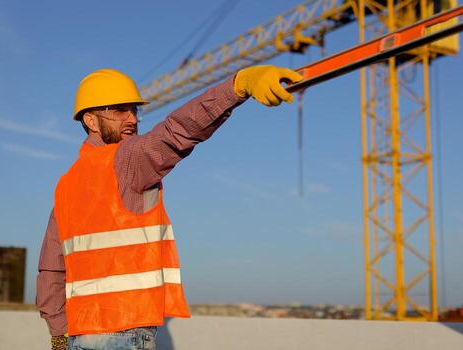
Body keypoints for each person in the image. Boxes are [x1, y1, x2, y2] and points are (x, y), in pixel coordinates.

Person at [36, 65, 302, 350]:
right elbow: (178, 130)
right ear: (90, 120)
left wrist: (59, 335)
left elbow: (51, 268)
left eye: (135, 110)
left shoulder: (67, 183)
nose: (132, 118)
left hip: (80, 336)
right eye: (120, 109)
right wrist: (238, 86)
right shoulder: (127, 160)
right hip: (125, 335)